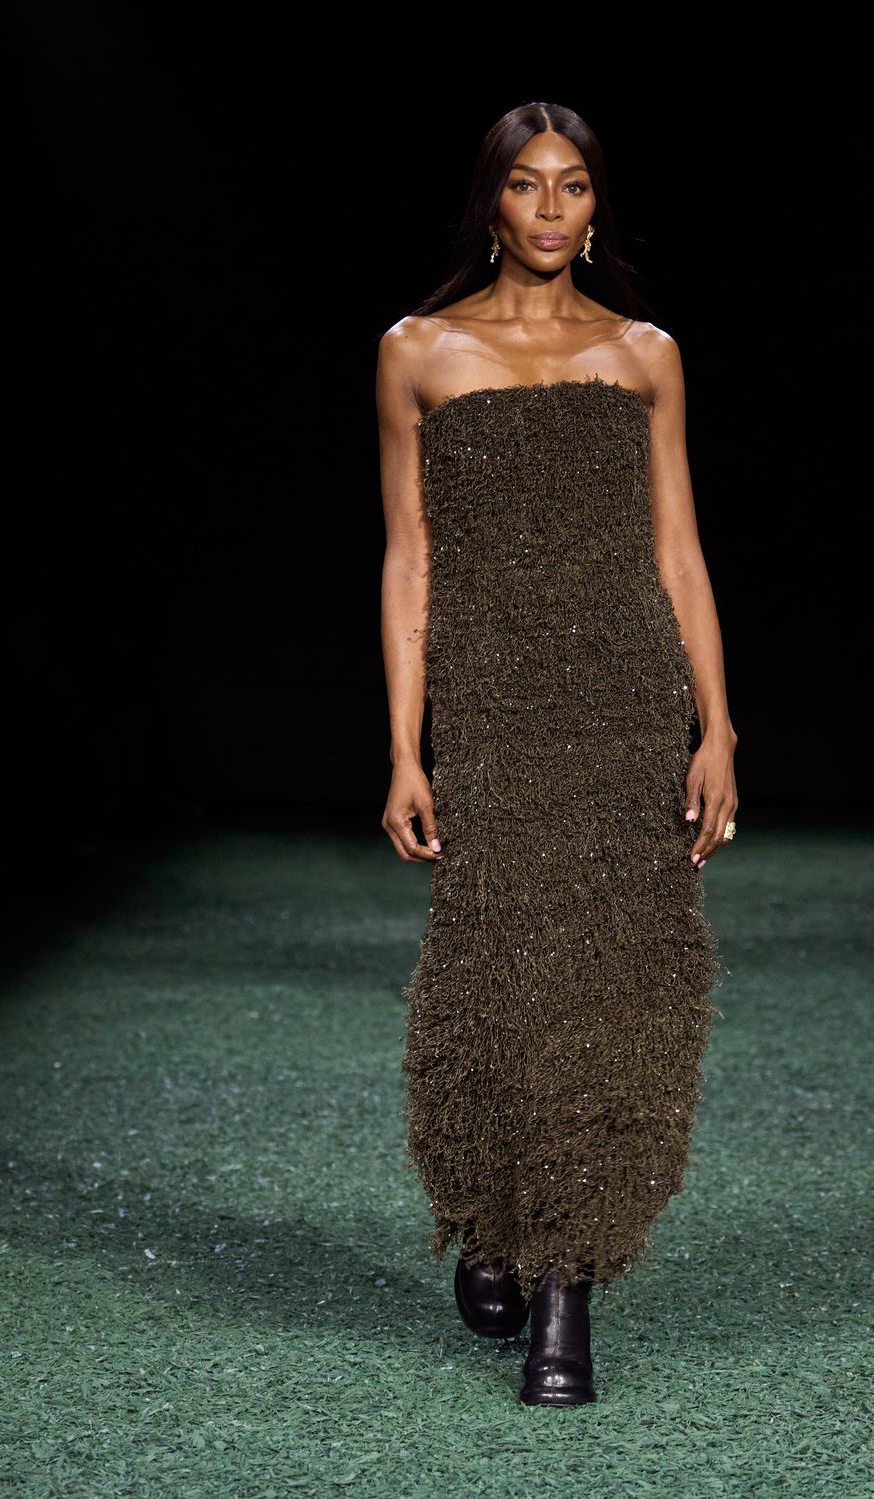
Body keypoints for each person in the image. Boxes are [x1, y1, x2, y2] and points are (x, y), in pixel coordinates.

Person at [377, 100, 738, 1407]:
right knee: (496, 970)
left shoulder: (646, 355)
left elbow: (678, 551)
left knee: (617, 988)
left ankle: (566, 1290)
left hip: (626, 699)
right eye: (526, 185)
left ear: (595, 206)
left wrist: (717, 725)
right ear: (492, 201)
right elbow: (409, 561)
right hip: (490, 706)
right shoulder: (418, 352)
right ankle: (489, 1214)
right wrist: (405, 748)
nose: (548, 208)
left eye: (572, 186)